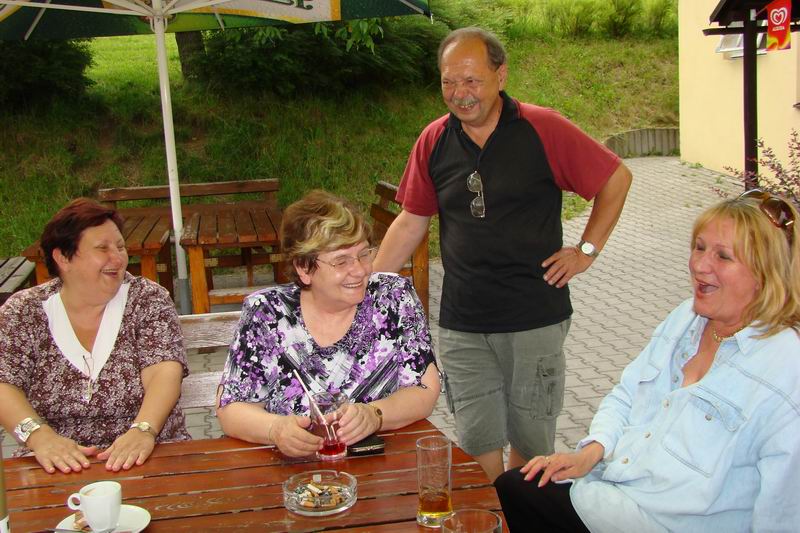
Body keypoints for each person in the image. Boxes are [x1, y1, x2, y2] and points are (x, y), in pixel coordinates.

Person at [372, 26, 632, 481]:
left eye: (472, 80)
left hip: (534, 318)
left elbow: (615, 179)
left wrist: (585, 250)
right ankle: (491, 515)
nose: (460, 93)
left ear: (501, 75)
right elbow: (412, 220)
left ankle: (522, 514)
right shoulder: (434, 139)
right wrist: (369, 287)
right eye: (449, 82)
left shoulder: (543, 128)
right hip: (464, 323)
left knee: (531, 449)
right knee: (477, 446)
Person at [495, 190, 800, 532]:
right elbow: (627, 393)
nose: (699, 265)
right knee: (514, 487)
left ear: (765, 273)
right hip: (617, 495)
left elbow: (783, 510)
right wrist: (591, 452)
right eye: (699, 247)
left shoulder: (785, 370)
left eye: (723, 256)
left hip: (665, 522)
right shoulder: (687, 318)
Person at [216, 190, 440, 457]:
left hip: (381, 466)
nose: (359, 270)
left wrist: (375, 414)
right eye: (341, 261)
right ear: (304, 268)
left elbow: (425, 389)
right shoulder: (267, 313)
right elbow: (231, 408)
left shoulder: (393, 297)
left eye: (364, 254)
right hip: (293, 471)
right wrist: (275, 429)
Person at [0, 198, 189, 474]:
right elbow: (4, 384)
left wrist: (143, 429)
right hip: (55, 463)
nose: (118, 258)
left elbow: (164, 371)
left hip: (149, 455)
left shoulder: (146, 299)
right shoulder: (25, 311)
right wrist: (41, 438)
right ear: (63, 258)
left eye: (120, 247)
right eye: (102, 248)